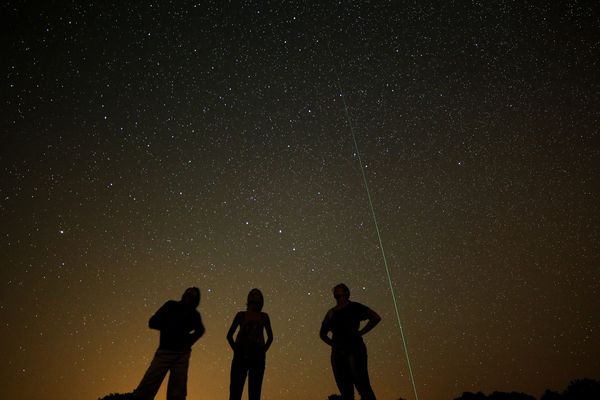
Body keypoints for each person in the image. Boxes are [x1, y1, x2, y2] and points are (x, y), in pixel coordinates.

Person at [132, 287, 205, 400]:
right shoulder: (171, 305)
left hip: (182, 355)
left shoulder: (194, 315)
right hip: (164, 352)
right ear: (184, 294)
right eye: (188, 293)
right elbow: (152, 322)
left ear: (196, 300)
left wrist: (189, 341)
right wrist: (169, 326)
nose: (190, 296)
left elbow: (200, 330)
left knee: (177, 393)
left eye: (193, 295)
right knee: (147, 386)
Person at [320, 283, 381, 400]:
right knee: (344, 388)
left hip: (355, 348)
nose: (336, 290)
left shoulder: (355, 307)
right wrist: (333, 344)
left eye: (340, 288)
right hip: (337, 352)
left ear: (346, 292)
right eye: (335, 289)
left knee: (362, 384)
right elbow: (322, 334)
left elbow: (376, 317)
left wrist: (361, 332)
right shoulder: (331, 313)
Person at [226, 288, 274, 400]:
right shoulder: (240, 315)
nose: (253, 295)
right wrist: (236, 350)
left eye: (256, 294)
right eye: (252, 294)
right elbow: (229, 335)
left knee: (255, 392)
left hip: (257, 357)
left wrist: (262, 352)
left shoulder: (264, 316)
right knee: (235, 391)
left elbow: (270, 337)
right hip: (240, 356)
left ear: (261, 299)